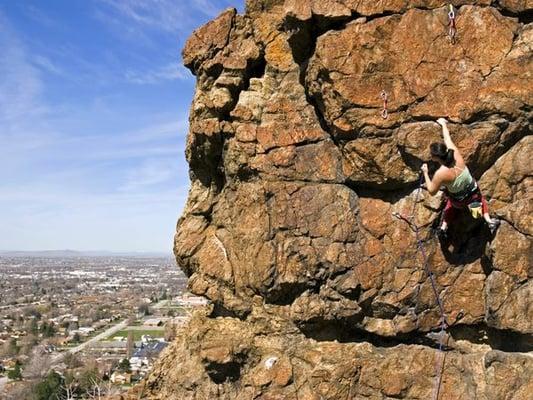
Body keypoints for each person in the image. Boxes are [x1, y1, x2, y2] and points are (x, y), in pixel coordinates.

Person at [421, 118, 500, 239]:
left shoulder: (441, 174)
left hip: (458, 201)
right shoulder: (456, 154)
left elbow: (431, 191)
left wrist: (426, 173)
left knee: (450, 205)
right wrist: (443, 124)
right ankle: (488, 220)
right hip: (473, 195)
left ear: (435, 158)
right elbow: (447, 138)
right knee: (479, 202)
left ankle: (443, 228)